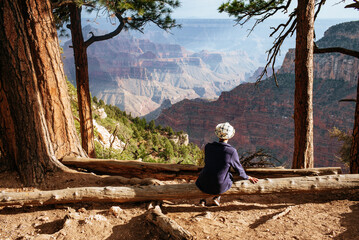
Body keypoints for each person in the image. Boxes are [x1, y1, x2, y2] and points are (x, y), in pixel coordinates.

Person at [196, 122, 258, 206]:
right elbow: (239, 170)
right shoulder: (231, 151)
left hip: (203, 182)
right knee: (229, 176)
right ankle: (217, 197)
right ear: (230, 136)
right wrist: (248, 177)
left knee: (207, 175)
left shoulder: (208, 147)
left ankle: (202, 200)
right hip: (219, 186)